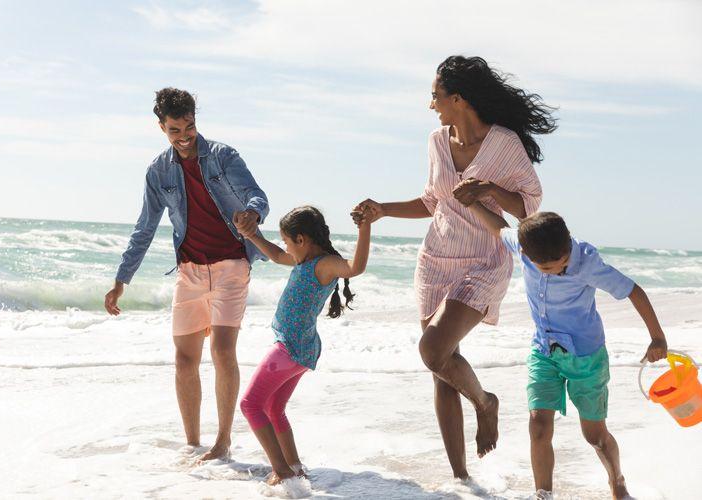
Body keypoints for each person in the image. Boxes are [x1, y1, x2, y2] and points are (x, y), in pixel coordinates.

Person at [353, 55, 557, 478]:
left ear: (459, 98)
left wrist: (488, 189)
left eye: (436, 96)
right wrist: (382, 211)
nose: (432, 105)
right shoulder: (436, 141)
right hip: (435, 261)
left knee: (432, 350)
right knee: (441, 369)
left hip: (484, 262)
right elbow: (432, 201)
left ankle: (486, 403)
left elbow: (528, 208)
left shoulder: (504, 144)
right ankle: (461, 479)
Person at [103, 87, 269, 461]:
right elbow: (145, 227)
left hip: (231, 266)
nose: (184, 136)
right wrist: (120, 281)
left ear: (196, 120)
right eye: (175, 129)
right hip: (190, 272)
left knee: (223, 351)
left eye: (189, 126)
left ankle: (222, 442)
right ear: (161, 127)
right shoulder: (158, 170)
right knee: (184, 360)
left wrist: (252, 215)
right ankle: (193, 444)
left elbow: (256, 194)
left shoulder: (224, 156)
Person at [461, 201, 668, 500]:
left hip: (586, 359)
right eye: (545, 267)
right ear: (527, 255)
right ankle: (543, 494)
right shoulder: (522, 247)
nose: (557, 270)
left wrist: (657, 338)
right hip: (544, 352)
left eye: (561, 262)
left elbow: (633, 291)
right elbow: (499, 227)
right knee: (538, 426)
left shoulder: (586, 262)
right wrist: (473, 202)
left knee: (594, 436)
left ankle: (618, 483)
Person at [236, 206, 371, 488]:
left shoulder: (324, 264)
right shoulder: (303, 260)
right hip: (302, 348)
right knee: (274, 408)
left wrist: (364, 227)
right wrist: (252, 234)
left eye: (287, 241)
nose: (285, 247)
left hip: (290, 348)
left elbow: (355, 267)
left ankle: (282, 470)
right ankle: (295, 467)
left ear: (302, 239)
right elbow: (274, 254)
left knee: (250, 405)